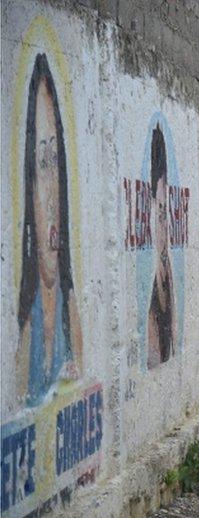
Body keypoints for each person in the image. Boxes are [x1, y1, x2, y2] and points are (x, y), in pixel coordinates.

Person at [15, 53, 84, 407]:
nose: (52, 191)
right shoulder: (24, 338)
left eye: (56, 160)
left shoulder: (73, 318)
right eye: (42, 162)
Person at [147, 125, 176, 368]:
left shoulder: (169, 280)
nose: (164, 224)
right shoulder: (152, 305)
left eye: (166, 213)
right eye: (159, 214)